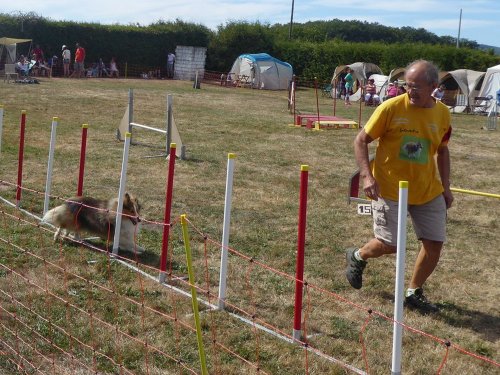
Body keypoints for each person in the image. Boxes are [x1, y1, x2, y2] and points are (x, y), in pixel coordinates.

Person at [347, 60, 453, 314]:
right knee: (391, 244)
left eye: (416, 86)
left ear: (434, 87)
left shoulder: (442, 114)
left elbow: (443, 150)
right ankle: (358, 255)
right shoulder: (391, 108)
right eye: (407, 85)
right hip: (389, 188)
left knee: (434, 243)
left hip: (428, 190)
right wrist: (367, 177)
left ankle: (414, 292)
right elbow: (361, 140)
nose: (410, 91)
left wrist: (446, 187)